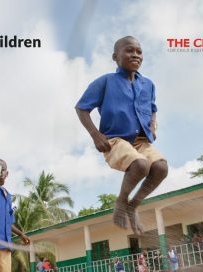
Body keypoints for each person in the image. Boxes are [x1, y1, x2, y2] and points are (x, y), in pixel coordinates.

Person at [75, 36, 168, 235]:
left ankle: (133, 205)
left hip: (141, 141)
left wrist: (152, 125)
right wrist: (95, 135)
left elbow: (152, 107)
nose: (135, 54)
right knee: (141, 165)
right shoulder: (105, 82)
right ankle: (121, 201)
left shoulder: (148, 84)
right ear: (115, 57)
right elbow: (81, 108)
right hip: (115, 140)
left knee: (160, 167)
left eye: (139, 51)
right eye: (129, 50)